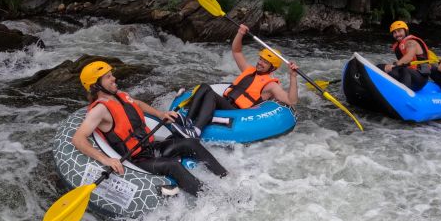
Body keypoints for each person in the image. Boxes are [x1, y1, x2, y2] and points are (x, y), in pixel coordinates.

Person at [72, 60, 227, 196]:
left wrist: (160, 114)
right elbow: (78, 139)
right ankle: (210, 197)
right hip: (137, 160)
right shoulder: (99, 110)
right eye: (108, 77)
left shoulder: (120, 95)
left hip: (151, 147)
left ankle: (225, 177)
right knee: (172, 166)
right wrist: (106, 160)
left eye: (111, 74)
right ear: (95, 86)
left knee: (190, 143)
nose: (114, 78)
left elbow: (137, 104)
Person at [183, 24, 299, 137]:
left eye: (265, 62)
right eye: (260, 59)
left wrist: (293, 77)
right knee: (203, 87)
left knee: (210, 94)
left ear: (272, 67)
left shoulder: (271, 85)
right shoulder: (248, 70)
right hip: (227, 102)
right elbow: (236, 51)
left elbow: (291, 101)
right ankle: (187, 120)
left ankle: (197, 130)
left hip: (238, 112)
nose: (260, 62)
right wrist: (240, 33)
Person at [379, 20, 432, 90]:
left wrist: (394, 66)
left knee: (404, 70)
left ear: (405, 31)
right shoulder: (399, 45)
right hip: (407, 75)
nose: (397, 34)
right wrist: (389, 68)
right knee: (380, 67)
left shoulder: (411, 42)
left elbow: (409, 57)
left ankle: (404, 91)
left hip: (420, 78)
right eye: (394, 32)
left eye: (399, 31)